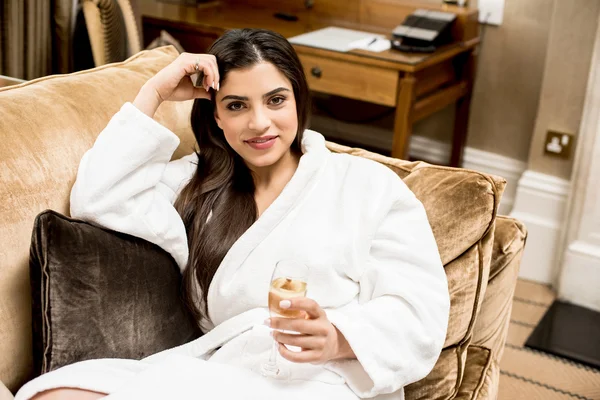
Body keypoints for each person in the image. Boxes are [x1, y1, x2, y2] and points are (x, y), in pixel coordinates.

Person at [16, 29, 449, 400]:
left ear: (298, 100)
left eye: (276, 100)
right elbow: (98, 199)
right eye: (237, 105)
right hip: (223, 371)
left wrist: (337, 337)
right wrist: (154, 93)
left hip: (325, 381)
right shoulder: (198, 184)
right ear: (216, 114)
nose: (260, 123)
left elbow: (420, 313)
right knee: (58, 393)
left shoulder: (368, 187)